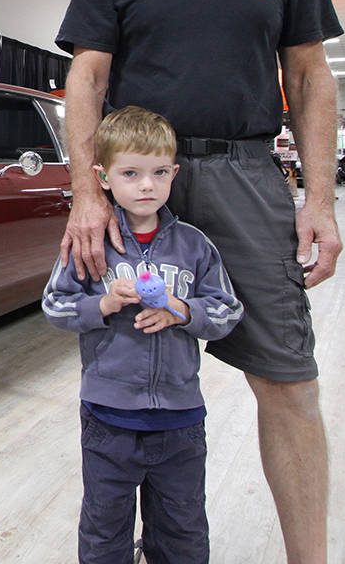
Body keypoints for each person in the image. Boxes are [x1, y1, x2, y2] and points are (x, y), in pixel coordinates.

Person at [55, 0, 343, 564]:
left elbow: (313, 80)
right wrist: (86, 192)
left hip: (247, 177)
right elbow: (85, 81)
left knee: (287, 381)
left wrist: (319, 200)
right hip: (141, 184)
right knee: (126, 370)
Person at [44, 105, 243, 563]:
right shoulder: (90, 243)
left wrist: (180, 310)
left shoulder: (195, 245)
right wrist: (106, 303)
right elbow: (55, 306)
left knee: (183, 531)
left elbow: (227, 310)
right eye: (131, 173)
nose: (147, 185)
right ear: (104, 177)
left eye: (158, 172)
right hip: (107, 419)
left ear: (174, 173)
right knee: (103, 529)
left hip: (181, 421)